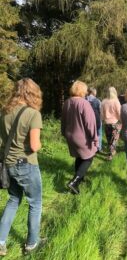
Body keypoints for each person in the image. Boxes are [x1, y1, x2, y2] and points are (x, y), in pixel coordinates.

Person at [0, 78, 43, 256]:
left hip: (8, 163)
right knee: (35, 203)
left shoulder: (4, 112)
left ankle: (0, 241)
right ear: (33, 92)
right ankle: (32, 243)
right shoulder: (33, 114)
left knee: (13, 200)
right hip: (26, 164)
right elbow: (34, 146)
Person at [61, 81, 98, 194]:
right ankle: (74, 181)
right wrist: (94, 138)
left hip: (70, 135)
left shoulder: (67, 102)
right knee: (89, 157)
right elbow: (90, 123)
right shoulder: (84, 103)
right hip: (82, 137)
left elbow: (63, 120)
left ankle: (80, 179)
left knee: (79, 156)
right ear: (82, 91)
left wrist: (63, 132)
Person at [101, 87, 121, 161]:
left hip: (106, 123)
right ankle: (110, 154)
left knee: (109, 140)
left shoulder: (103, 101)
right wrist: (121, 120)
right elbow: (119, 112)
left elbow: (101, 113)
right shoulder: (116, 101)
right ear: (115, 92)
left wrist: (103, 120)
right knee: (114, 140)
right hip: (115, 123)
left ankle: (111, 152)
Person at [86, 87, 102, 152]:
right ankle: (98, 148)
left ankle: (90, 147)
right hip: (97, 119)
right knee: (99, 134)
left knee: (88, 133)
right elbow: (100, 111)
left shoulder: (84, 99)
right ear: (94, 92)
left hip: (87, 119)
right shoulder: (97, 100)